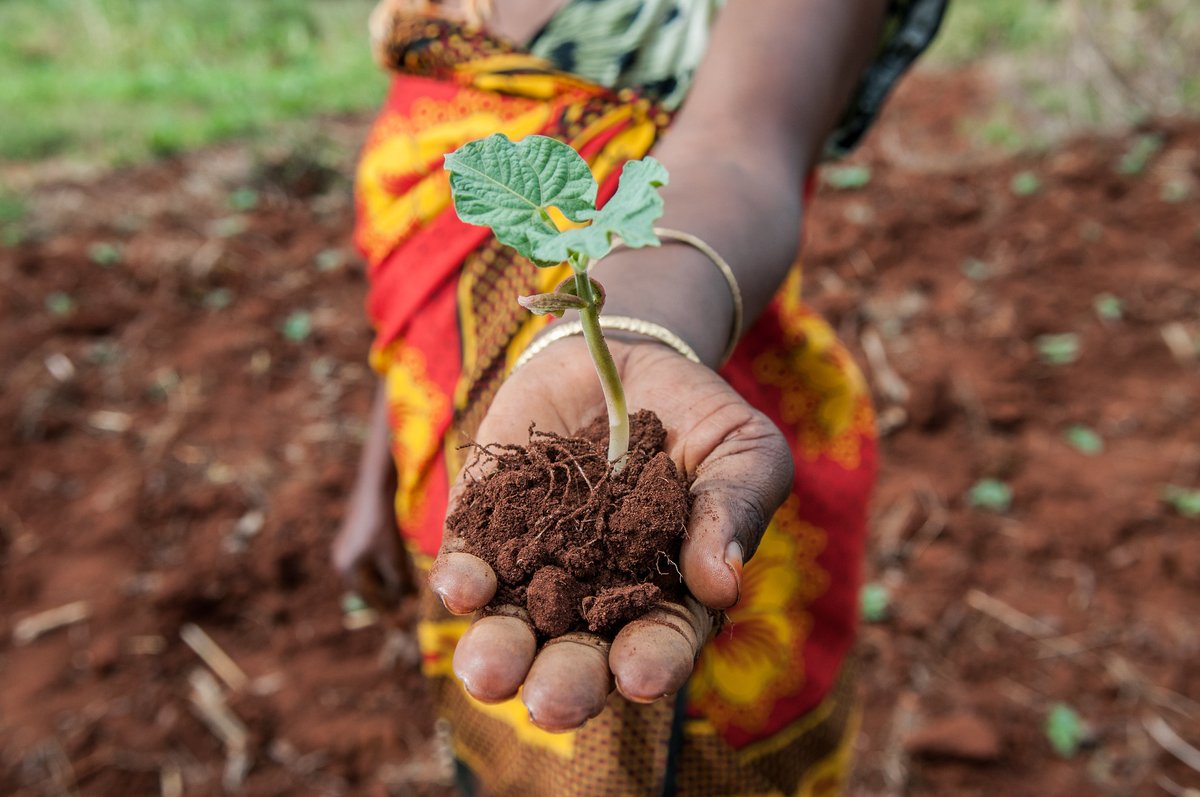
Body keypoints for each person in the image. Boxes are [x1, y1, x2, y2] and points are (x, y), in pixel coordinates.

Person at [334, 1, 947, 794]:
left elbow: (740, 151)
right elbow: (425, 265)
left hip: (689, 410)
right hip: (463, 476)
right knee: (495, 707)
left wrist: (633, 324)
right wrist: (374, 478)